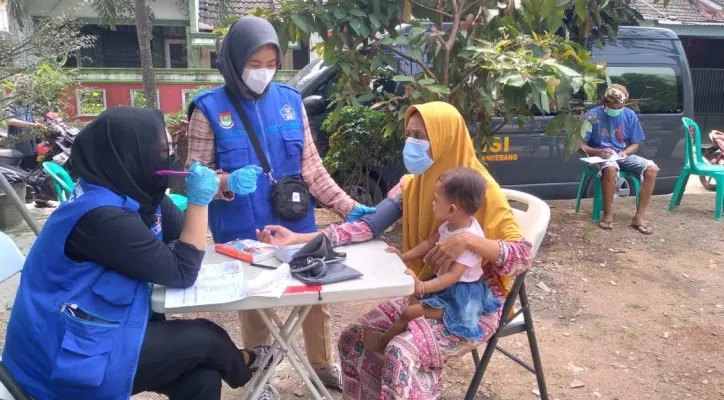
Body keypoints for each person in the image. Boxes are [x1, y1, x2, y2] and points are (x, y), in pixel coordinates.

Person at [256, 101, 534, 399]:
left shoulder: (481, 190)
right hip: (425, 292)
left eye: (421, 136)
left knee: (400, 353)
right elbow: (367, 225)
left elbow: (523, 255)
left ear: (445, 138)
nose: (411, 143)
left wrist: (470, 241)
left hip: (471, 308)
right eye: (409, 134)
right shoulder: (412, 185)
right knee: (353, 339)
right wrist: (299, 239)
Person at [3, 107, 274, 400]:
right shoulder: (100, 216)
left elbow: (182, 235)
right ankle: (251, 369)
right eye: (161, 150)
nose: (170, 158)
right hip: (62, 356)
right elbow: (183, 271)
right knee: (207, 341)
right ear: (131, 155)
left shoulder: (135, 191)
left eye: (170, 149)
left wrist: (222, 184)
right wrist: (199, 200)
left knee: (201, 380)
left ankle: (242, 368)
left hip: (101, 329)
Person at [185, 16, 375, 390]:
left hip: (294, 224)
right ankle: (260, 373)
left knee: (315, 296)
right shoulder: (208, 109)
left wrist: (347, 206)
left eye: (271, 64)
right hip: (241, 229)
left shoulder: (290, 102)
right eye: (254, 65)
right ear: (234, 61)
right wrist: (226, 182)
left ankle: (321, 365)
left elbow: (313, 169)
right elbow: (196, 175)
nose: (263, 73)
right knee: (256, 304)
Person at [365, 167, 502, 353]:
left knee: (408, 311)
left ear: (452, 209)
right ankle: (409, 330)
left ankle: (381, 345)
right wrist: (404, 256)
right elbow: (429, 243)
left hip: (460, 297)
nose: (432, 204)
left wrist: (422, 286)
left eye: (436, 200)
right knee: (411, 296)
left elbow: (453, 277)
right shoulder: (451, 224)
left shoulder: (469, 240)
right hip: (445, 287)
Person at [581, 84, 659, 234]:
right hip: (600, 157)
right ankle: (608, 214)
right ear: (604, 102)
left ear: (625, 102)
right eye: (612, 105)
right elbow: (580, 146)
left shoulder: (629, 115)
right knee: (610, 168)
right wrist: (598, 151)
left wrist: (625, 152)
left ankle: (639, 217)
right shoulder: (592, 116)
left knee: (651, 169)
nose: (616, 108)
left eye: (620, 105)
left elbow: (635, 144)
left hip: (621, 155)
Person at [5, 75, 43, 170]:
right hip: (18, 143)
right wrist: (30, 124)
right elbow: (10, 120)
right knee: (22, 169)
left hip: (31, 143)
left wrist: (37, 122)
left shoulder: (28, 103)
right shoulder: (12, 103)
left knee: (32, 168)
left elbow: (30, 118)